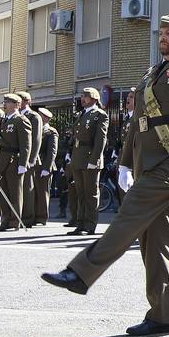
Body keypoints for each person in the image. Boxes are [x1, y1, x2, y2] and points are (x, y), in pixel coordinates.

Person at [41, 7, 169, 335]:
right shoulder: (154, 71)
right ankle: (162, 316)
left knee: (126, 219)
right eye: (162, 33)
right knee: (156, 241)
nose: (163, 37)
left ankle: (81, 272)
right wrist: (124, 163)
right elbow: (138, 122)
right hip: (147, 162)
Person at [68, 88, 109, 236]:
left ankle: (90, 225)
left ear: (94, 99)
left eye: (86, 96)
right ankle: (80, 223)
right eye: (82, 96)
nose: (82, 99)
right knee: (80, 193)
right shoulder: (81, 114)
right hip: (78, 157)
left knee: (91, 194)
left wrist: (95, 159)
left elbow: (100, 140)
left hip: (90, 157)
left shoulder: (99, 115)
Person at [0, 94, 32, 231]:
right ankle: (5, 220)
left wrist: (23, 164)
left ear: (17, 104)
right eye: (5, 102)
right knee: (3, 192)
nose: (5, 104)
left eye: (8, 102)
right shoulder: (4, 120)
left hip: (14, 161)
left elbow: (26, 145)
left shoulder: (21, 120)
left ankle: (14, 221)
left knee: (15, 193)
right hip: (1, 161)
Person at [29, 107, 58, 227]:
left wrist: (47, 168)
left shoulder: (51, 132)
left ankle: (41, 217)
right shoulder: (36, 130)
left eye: (41, 115)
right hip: (36, 164)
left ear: (46, 119)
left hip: (44, 165)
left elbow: (52, 151)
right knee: (33, 192)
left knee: (42, 192)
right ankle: (33, 215)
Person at [18, 92, 44, 222]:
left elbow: (36, 139)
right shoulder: (15, 116)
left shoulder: (33, 116)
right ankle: (17, 215)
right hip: (15, 157)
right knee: (17, 189)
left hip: (28, 158)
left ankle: (28, 217)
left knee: (27, 188)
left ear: (26, 101)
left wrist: (31, 159)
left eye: (19, 100)